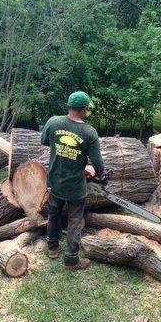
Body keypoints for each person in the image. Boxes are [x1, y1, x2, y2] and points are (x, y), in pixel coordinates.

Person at [41, 91, 104, 270]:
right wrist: (98, 173)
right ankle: (71, 259)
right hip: (76, 187)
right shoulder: (89, 132)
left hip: (55, 181)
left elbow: (44, 141)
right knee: (75, 220)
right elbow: (97, 162)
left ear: (69, 106)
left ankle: (52, 247)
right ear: (84, 109)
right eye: (87, 109)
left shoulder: (53, 122)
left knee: (53, 214)